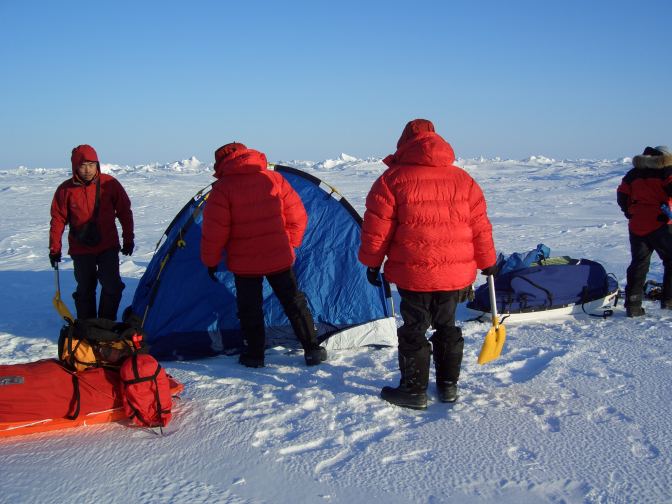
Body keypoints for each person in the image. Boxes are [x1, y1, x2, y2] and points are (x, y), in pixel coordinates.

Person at [358, 119, 496, 410]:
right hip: (455, 273)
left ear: (404, 142)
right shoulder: (464, 180)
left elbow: (377, 229)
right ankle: (448, 387)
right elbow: (479, 226)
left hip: (413, 272)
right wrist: (488, 262)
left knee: (414, 328)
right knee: (447, 325)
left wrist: (372, 263)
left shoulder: (392, 179)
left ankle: (413, 390)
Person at [200, 142, 327, 368]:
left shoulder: (222, 188)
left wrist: (210, 262)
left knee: (250, 308)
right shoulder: (274, 179)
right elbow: (297, 216)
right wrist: (290, 244)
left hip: (244, 262)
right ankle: (312, 349)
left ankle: (255, 355)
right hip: (279, 256)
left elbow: (214, 232)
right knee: (293, 302)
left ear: (220, 163)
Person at [49, 144, 134, 321]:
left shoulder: (109, 184)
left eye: (91, 164)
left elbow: (125, 212)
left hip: (107, 245)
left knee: (112, 286)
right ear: (75, 167)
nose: (87, 170)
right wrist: (54, 248)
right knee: (85, 288)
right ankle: (87, 326)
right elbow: (58, 220)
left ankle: (105, 323)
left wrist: (128, 239)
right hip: (81, 249)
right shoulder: (65, 190)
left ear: (97, 164)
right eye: (83, 165)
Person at [617, 145, 672, 317]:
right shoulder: (666, 170)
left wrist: (630, 212)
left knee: (639, 263)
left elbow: (622, 195)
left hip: (637, 224)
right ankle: (669, 302)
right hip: (660, 223)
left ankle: (633, 305)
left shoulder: (633, 173)